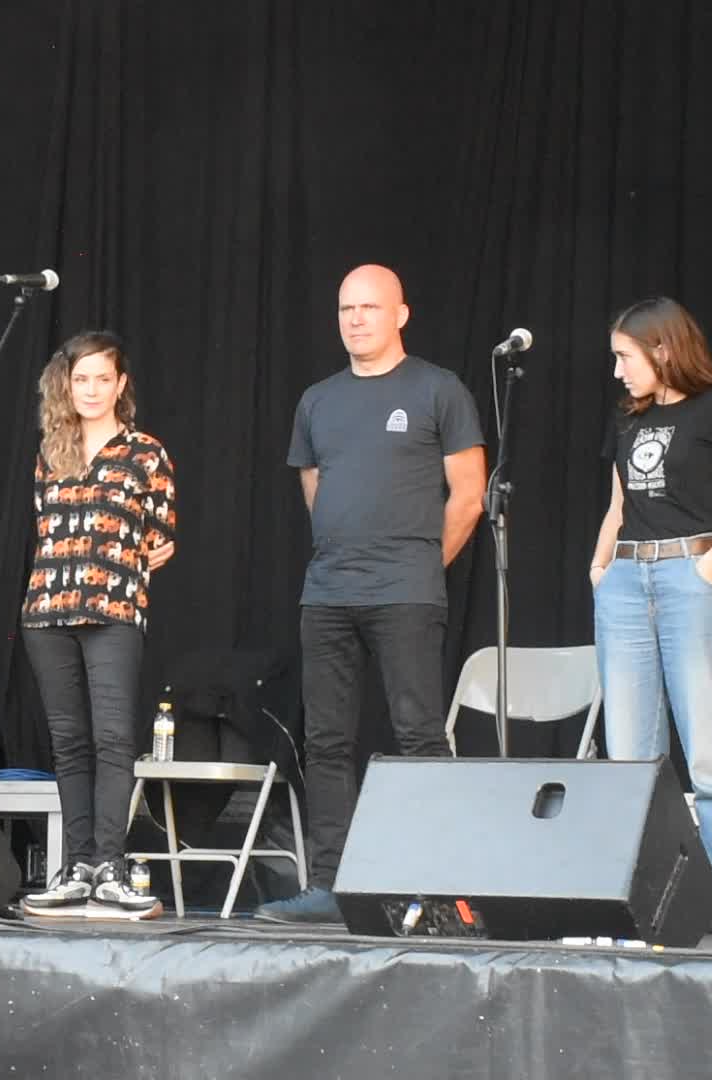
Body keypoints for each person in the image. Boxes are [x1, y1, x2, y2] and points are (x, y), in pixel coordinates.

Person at [255, 264, 487, 924]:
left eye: (370, 307)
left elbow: (469, 497)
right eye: (346, 309)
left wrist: (419, 567)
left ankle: (441, 890)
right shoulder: (318, 400)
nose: (356, 319)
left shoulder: (437, 389)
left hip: (406, 592)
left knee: (420, 736)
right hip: (328, 592)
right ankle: (331, 887)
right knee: (326, 742)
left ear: (400, 315)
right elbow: (314, 489)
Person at [587, 297, 712, 940]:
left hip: (689, 571)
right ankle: (644, 891)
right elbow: (618, 506)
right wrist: (600, 568)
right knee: (630, 753)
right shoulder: (627, 417)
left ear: (662, 349)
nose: (617, 371)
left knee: (710, 743)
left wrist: (709, 568)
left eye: (624, 356)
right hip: (627, 577)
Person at [18, 331, 176, 919]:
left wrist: (146, 551)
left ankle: (110, 866)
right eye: (80, 379)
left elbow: (161, 536)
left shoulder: (145, 453)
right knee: (68, 743)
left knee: (113, 738)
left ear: (120, 384)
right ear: (67, 384)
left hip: (113, 611)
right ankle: (77, 867)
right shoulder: (50, 452)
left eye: (102, 379)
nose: (90, 389)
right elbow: (44, 524)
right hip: (47, 611)